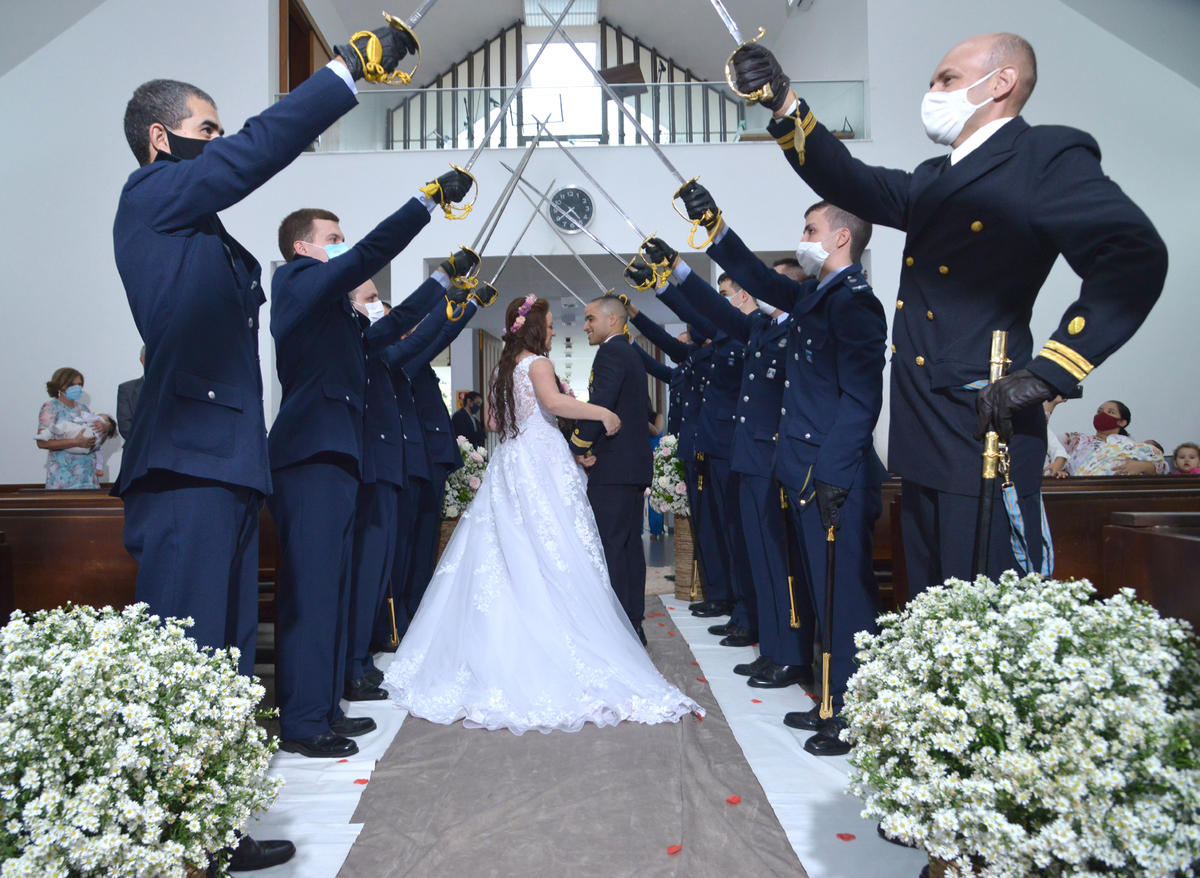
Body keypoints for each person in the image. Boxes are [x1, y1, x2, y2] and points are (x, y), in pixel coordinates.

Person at [113, 22, 417, 870]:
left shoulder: (192, 225)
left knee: (225, 656)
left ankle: (210, 827)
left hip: (225, 465)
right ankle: (174, 837)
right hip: (186, 465)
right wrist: (342, 77)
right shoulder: (151, 195)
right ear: (161, 139)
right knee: (190, 653)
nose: (222, 141)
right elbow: (253, 155)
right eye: (207, 130)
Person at [728, 32, 1168, 590]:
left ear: (1001, 83)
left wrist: (1052, 371)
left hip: (983, 420)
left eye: (947, 80)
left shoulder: (1045, 155)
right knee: (930, 602)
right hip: (922, 421)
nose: (933, 92)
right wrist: (785, 101)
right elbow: (849, 180)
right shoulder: (935, 179)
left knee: (982, 606)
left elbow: (1133, 256)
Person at [382, 295, 700, 733]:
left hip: (511, 462)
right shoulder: (537, 364)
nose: (554, 332)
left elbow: (493, 423)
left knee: (512, 550)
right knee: (557, 547)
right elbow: (554, 405)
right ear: (534, 329)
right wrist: (600, 412)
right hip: (542, 462)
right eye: (550, 326)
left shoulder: (501, 369)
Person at [675, 192, 887, 756]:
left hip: (833, 476)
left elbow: (862, 399)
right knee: (823, 594)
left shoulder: (854, 302)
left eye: (812, 228)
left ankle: (857, 713)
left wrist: (829, 475)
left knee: (846, 600)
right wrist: (715, 230)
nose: (806, 236)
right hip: (808, 474)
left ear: (841, 237)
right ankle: (831, 700)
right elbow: (756, 283)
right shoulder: (819, 296)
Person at [267, 197, 473, 759]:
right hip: (310, 455)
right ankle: (304, 719)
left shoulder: (333, 312)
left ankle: (326, 705)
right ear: (302, 247)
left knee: (331, 588)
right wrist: (425, 205)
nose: (341, 243)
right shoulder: (295, 284)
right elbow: (366, 255)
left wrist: (442, 285)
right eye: (331, 236)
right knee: (312, 592)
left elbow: (395, 332)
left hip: (339, 456)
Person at [642, 245, 818, 692]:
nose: (754, 295)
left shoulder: (797, 325)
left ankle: (789, 651)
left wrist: (676, 273)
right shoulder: (761, 327)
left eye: (766, 287)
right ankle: (774, 648)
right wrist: (670, 278)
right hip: (751, 456)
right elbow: (709, 309)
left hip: (775, 458)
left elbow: (712, 316)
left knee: (777, 562)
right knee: (757, 555)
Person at [570, 296, 655, 644]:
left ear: (612, 321)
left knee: (610, 546)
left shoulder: (612, 352)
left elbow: (600, 403)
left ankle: (618, 627)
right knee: (629, 547)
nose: (586, 325)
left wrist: (578, 445)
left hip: (615, 466)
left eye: (591, 318)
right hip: (633, 465)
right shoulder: (630, 353)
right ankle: (632, 621)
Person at [1052, 400, 1167, 476]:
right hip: (1082, 491)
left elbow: (1163, 466)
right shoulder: (1077, 440)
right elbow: (1044, 436)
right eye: (1099, 411)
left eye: (1110, 412)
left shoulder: (1131, 446)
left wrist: (1144, 466)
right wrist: (1051, 404)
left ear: (1122, 422)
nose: (1102, 415)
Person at [36, 368, 104, 490]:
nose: (77, 388)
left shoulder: (83, 408)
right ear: (60, 385)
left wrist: (103, 428)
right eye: (72, 384)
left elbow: (94, 439)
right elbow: (41, 442)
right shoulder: (51, 407)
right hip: (63, 476)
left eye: (79, 384)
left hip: (87, 473)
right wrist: (75, 442)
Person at [115, 346, 145, 440]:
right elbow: (125, 426)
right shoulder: (127, 389)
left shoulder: (175, 387)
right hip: (139, 450)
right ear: (143, 360)